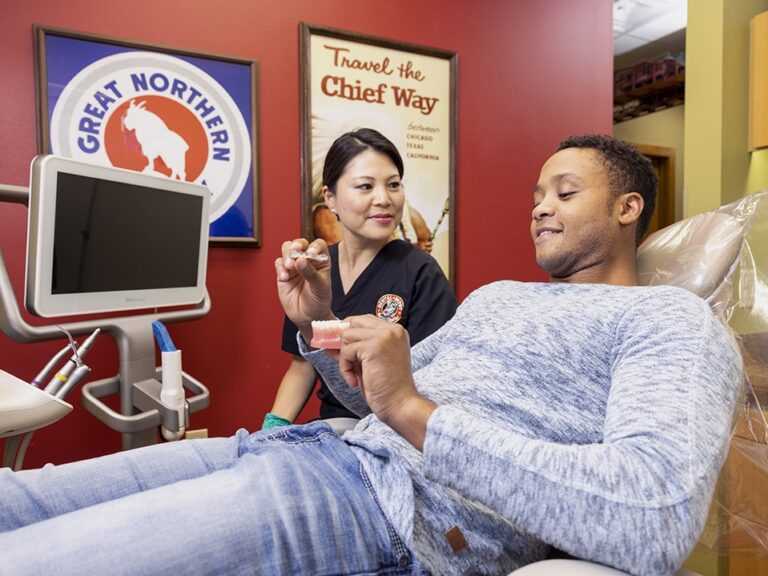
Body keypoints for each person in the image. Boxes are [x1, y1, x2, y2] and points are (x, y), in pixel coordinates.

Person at [0, 135, 742, 576]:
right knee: (18, 501)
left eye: (565, 191)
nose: (538, 206)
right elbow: (372, 405)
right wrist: (323, 324)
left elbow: (657, 513)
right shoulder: (498, 297)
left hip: (381, 509)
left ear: (628, 207)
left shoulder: (668, 319)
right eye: (536, 193)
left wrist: (413, 408)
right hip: (306, 448)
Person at [265, 128, 457, 429]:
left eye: (393, 185)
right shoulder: (313, 271)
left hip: (389, 436)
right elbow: (303, 365)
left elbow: (428, 390)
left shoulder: (421, 272)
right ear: (331, 198)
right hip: (330, 429)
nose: (384, 199)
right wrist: (274, 425)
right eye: (365, 186)